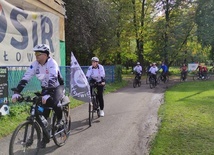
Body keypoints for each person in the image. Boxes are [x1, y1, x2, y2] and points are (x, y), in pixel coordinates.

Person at [11, 44, 65, 148]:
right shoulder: (35, 64)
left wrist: (48, 94)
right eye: (35, 53)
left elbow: (53, 78)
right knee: (42, 114)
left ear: (45, 55)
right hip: (46, 88)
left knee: (55, 103)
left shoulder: (52, 63)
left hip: (57, 87)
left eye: (38, 54)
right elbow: (26, 77)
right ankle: (45, 137)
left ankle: (60, 121)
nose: (36, 56)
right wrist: (17, 92)